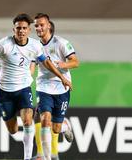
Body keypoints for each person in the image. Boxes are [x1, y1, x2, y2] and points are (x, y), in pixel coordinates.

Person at [0, 13, 72, 160]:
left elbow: (47, 62)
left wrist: (62, 77)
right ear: (13, 30)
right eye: (18, 28)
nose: (21, 31)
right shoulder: (4, 45)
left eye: (24, 28)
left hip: (23, 89)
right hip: (4, 92)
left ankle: (27, 158)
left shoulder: (35, 46)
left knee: (28, 120)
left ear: (29, 30)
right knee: (13, 130)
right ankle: (59, 128)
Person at [31, 13, 79, 160]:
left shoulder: (61, 43)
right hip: (43, 87)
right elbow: (32, 66)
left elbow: (75, 62)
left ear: (49, 26)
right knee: (44, 118)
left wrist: (62, 64)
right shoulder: (34, 46)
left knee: (56, 128)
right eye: (36, 25)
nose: (38, 28)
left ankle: (65, 126)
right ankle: (46, 156)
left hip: (61, 87)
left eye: (41, 25)